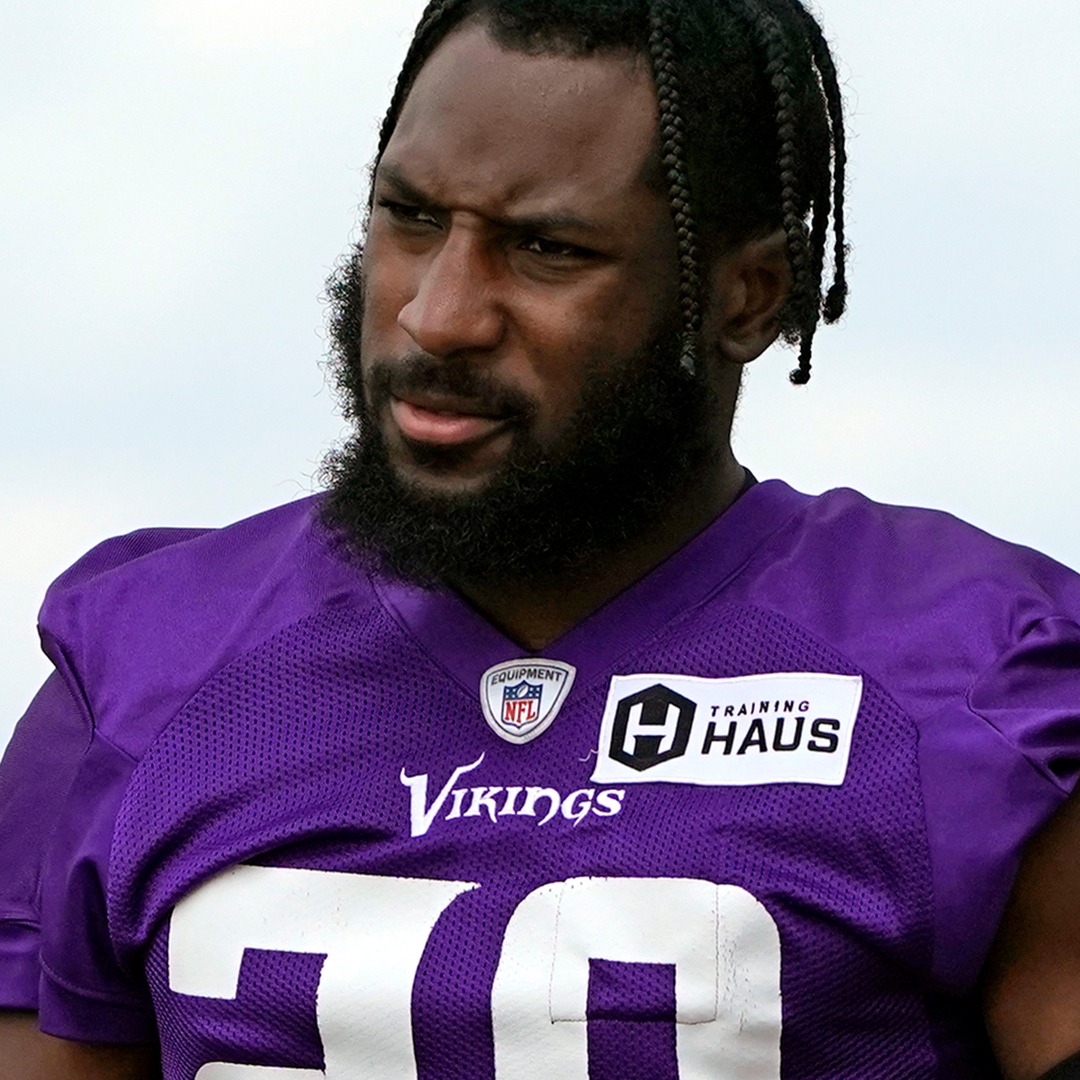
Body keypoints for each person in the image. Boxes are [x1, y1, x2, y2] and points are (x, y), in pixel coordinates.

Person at [1, 0, 1079, 1076]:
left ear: (750, 299)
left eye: (547, 250)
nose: (439, 315)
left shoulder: (982, 674)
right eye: (411, 218)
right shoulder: (143, 663)